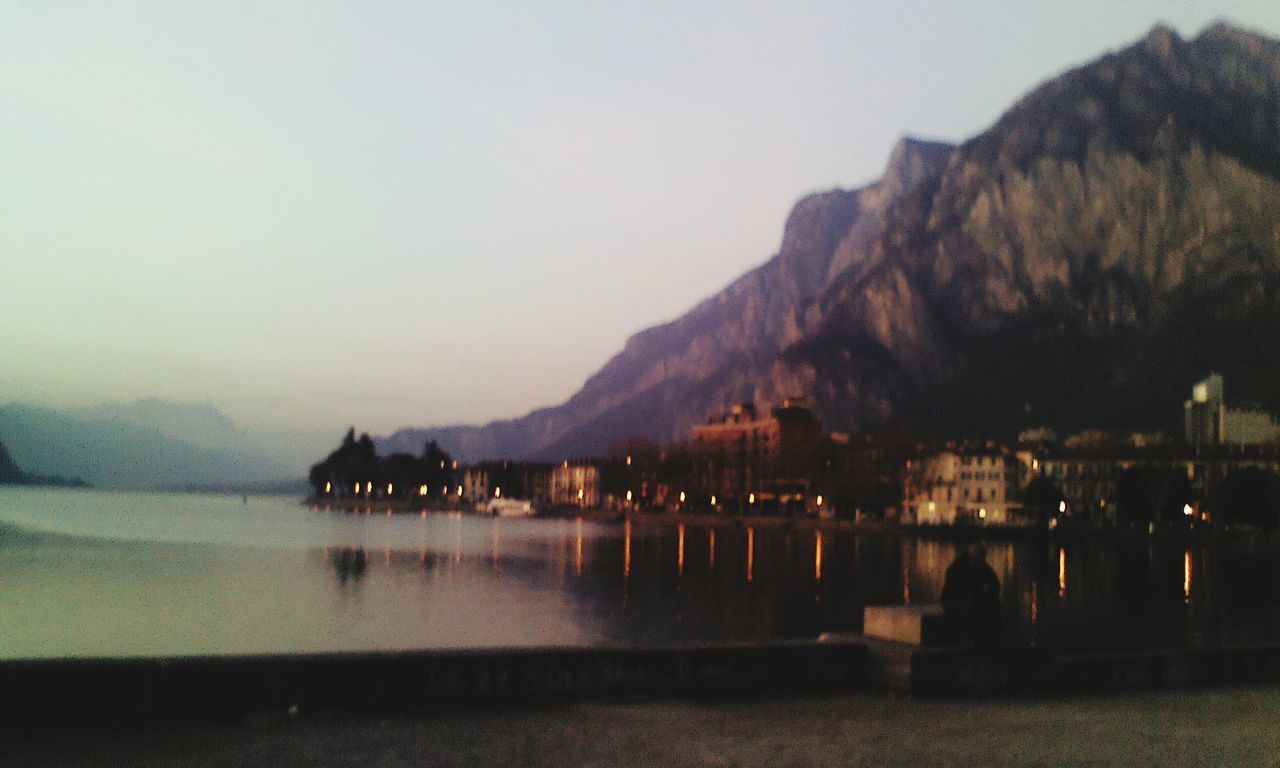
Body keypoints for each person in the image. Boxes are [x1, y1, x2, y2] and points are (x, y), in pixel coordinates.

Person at [941, 544, 1002, 645]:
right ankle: (967, 636)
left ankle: (994, 636)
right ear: (970, 557)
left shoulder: (983, 567)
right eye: (977, 559)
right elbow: (954, 589)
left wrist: (987, 591)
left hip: (974, 597)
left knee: (992, 602)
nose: (979, 562)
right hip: (954, 599)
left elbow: (995, 584)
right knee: (968, 603)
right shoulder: (956, 568)